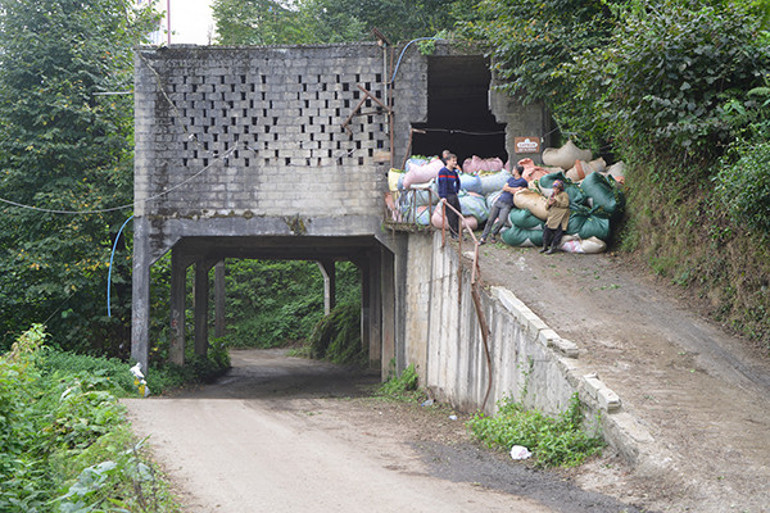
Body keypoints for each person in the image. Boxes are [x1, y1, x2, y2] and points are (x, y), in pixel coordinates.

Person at [479, 164, 527, 245]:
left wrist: (511, 189)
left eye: (514, 169)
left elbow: (521, 191)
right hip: (499, 201)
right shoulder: (511, 179)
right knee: (490, 220)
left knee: (502, 221)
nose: (512, 170)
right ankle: (483, 238)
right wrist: (514, 189)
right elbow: (504, 188)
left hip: (507, 205)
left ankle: (494, 233)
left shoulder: (523, 182)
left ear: (516, 171)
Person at [541, 179, 570, 254]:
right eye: (554, 188)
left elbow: (566, 204)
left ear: (560, 189)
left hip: (560, 217)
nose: (555, 190)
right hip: (552, 217)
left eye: (557, 189)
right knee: (546, 230)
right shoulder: (552, 195)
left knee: (558, 233)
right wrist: (549, 204)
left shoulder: (564, 195)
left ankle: (553, 248)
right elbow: (546, 207)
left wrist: (556, 202)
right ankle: (545, 246)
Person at [437, 153, 461, 239]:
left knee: (458, 213)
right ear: (448, 161)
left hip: (454, 195)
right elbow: (442, 185)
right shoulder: (443, 172)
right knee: (451, 215)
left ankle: (459, 232)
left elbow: (458, 182)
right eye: (453, 161)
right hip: (447, 195)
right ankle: (453, 234)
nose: (455, 163)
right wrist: (443, 197)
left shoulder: (454, 172)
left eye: (456, 161)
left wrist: (456, 191)